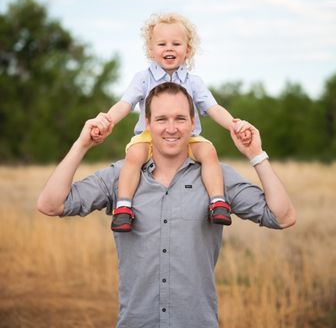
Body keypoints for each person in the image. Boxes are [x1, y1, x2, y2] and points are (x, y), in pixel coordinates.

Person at [37, 82, 296, 328]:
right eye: (161, 119)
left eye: (180, 118)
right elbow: (51, 204)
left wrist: (256, 155)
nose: (171, 128)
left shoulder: (216, 176)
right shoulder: (120, 176)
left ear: (193, 123)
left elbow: (282, 217)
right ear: (147, 123)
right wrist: (82, 144)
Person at [90, 12, 252, 232]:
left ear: (188, 50)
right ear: (151, 50)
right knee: (134, 156)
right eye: (162, 43)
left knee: (209, 153)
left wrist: (235, 124)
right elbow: (125, 104)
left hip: (188, 137)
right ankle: (124, 207)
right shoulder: (143, 78)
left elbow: (213, 108)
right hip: (150, 136)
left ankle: (217, 202)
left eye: (176, 43)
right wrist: (106, 121)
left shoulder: (194, 82)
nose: (169, 48)